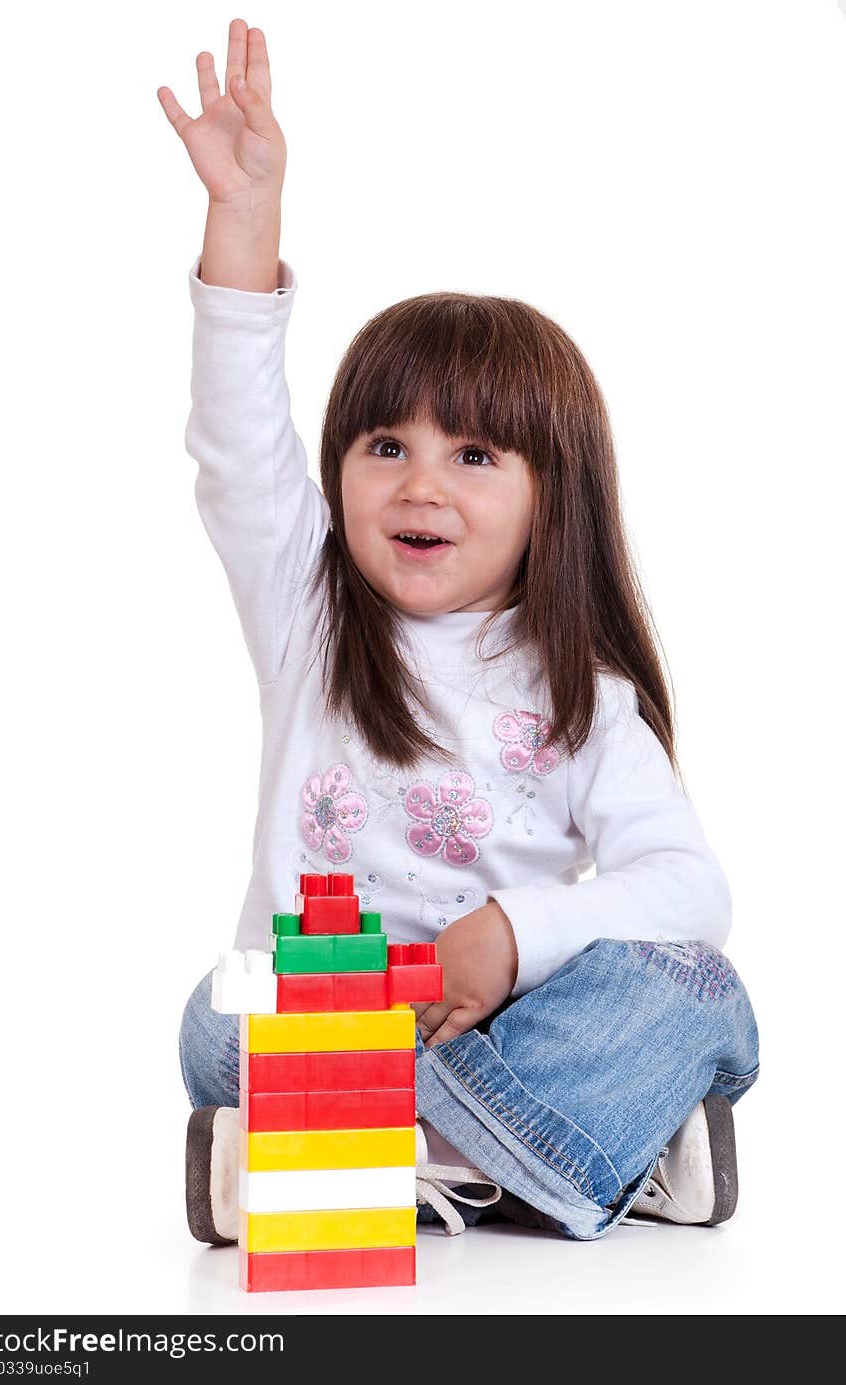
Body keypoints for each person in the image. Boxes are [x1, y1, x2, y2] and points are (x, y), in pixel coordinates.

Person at [158, 18, 760, 1246]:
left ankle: (356, 1152)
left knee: (696, 989)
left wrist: (514, 937)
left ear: (555, 493)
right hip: (341, 1010)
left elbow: (689, 887)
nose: (418, 484)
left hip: (514, 1010)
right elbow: (235, 444)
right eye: (386, 445)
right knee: (218, 1024)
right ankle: (570, 1152)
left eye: (474, 454)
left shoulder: (586, 694)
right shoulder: (309, 606)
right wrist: (245, 220)